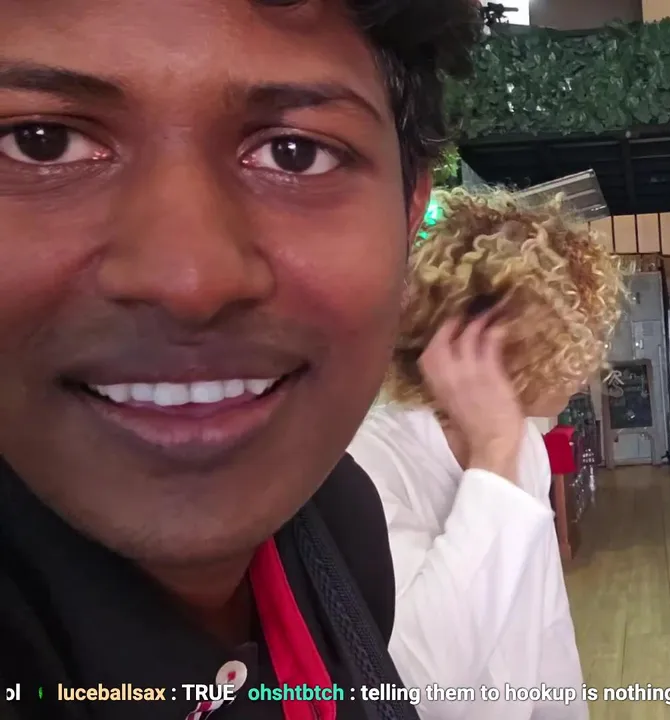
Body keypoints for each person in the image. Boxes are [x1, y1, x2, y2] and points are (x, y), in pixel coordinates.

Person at [0, 1, 481, 719]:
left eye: (295, 153)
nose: (189, 281)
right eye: (42, 143)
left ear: (410, 213)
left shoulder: (339, 527)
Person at [347, 188, 625, 720]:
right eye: (567, 339)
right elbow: (421, 686)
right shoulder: (365, 469)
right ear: (485, 343)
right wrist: (493, 454)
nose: (586, 365)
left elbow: (546, 629)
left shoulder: (526, 447)